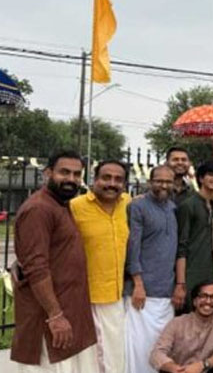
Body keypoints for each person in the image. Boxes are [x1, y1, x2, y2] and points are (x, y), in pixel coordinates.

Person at [11, 151, 99, 371]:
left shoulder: (59, 204)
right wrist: (55, 316)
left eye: (77, 174)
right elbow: (37, 268)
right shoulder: (39, 209)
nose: (71, 179)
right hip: (48, 320)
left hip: (68, 311)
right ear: (47, 173)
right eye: (64, 172)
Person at [70, 159, 132, 373]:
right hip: (84, 295)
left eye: (118, 179)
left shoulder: (128, 203)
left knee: (114, 355)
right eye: (106, 178)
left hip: (115, 295)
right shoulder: (75, 207)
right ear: (94, 179)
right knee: (88, 360)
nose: (112, 183)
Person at [124, 165, 179, 373]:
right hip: (142, 294)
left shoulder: (173, 208)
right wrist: (138, 284)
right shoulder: (138, 207)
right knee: (139, 351)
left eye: (168, 181)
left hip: (166, 292)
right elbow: (133, 247)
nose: (163, 185)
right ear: (150, 182)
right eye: (159, 181)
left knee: (162, 348)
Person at [176, 159, 213, 310]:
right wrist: (180, 283)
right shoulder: (189, 205)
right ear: (200, 178)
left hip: (209, 272)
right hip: (190, 272)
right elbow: (181, 247)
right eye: (211, 174)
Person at [150, 280, 213, 373]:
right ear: (195, 301)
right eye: (203, 296)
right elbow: (157, 353)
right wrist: (175, 368)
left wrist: (203, 365)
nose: (208, 301)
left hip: (206, 370)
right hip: (179, 370)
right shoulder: (177, 323)